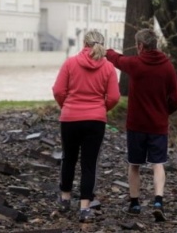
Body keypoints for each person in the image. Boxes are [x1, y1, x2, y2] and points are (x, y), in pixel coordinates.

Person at [105, 28, 177, 222]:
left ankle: (135, 203)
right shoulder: (167, 67)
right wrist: (166, 111)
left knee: (134, 164)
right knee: (158, 164)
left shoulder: (136, 64)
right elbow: (176, 97)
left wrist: (106, 51)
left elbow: (118, 60)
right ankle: (158, 201)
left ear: (140, 46)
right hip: (158, 125)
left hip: (136, 125)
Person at [52, 30, 121, 223]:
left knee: (69, 158)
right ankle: (84, 208)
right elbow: (114, 97)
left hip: (70, 118)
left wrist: (66, 106)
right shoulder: (108, 68)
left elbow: (58, 90)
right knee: (89, 163)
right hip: (96, 120)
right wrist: (101, 109)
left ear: (84, 43)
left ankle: (65, 199)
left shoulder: (70, 63)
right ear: (102, 44)